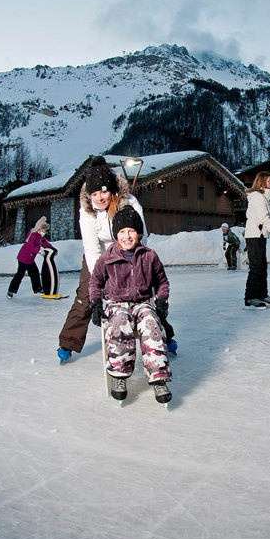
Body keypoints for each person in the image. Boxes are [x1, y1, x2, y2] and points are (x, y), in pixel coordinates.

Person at [56, 157, 147, 364]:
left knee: (141, 294)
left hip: (128, 250)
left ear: (112, 189)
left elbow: (142, 236)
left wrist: (135, 264)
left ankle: (160, 336)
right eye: (94, 193)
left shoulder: (129, 202)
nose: (99, 198)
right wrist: (101, 276)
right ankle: (68, 343)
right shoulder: (87, 209)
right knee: (86, 295)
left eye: (103, 192)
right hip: (97, 255)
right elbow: (91, 246)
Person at [89, 205, 172, 404]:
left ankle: (158, 378)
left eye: (132, 231)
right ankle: (119, 376)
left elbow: (162, 282)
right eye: (122, 232)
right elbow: (95, 282)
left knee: (151, 323)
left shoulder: (149, 256)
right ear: (116, 235)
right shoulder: (106, 258)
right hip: (116, 303)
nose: (127, 236)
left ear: (139, 234)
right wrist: (95, 303)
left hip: (142, 302)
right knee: (119, 323)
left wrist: (161, 301)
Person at [243, 171, 270, 309]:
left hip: (260, 235)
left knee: (262, 267)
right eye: (268, 181)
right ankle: (250, 297)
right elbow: (263, 218)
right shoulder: (257, 197)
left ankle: (261, 294)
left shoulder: (264, 197)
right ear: (261, 182)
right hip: (254, 236)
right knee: (256, 267)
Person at [7, 216, 55, 298]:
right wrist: (39, 251)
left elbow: (44, 243)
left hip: (30, 260)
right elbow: (30, 246)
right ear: (39, 228)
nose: (45, 232)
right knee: (20, 274)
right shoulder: (33, 234)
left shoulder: (40, 236)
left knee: (35, 273)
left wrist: (52, 248)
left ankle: (37, 288)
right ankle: (11, 291)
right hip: (23, 258)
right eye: (44, 230)